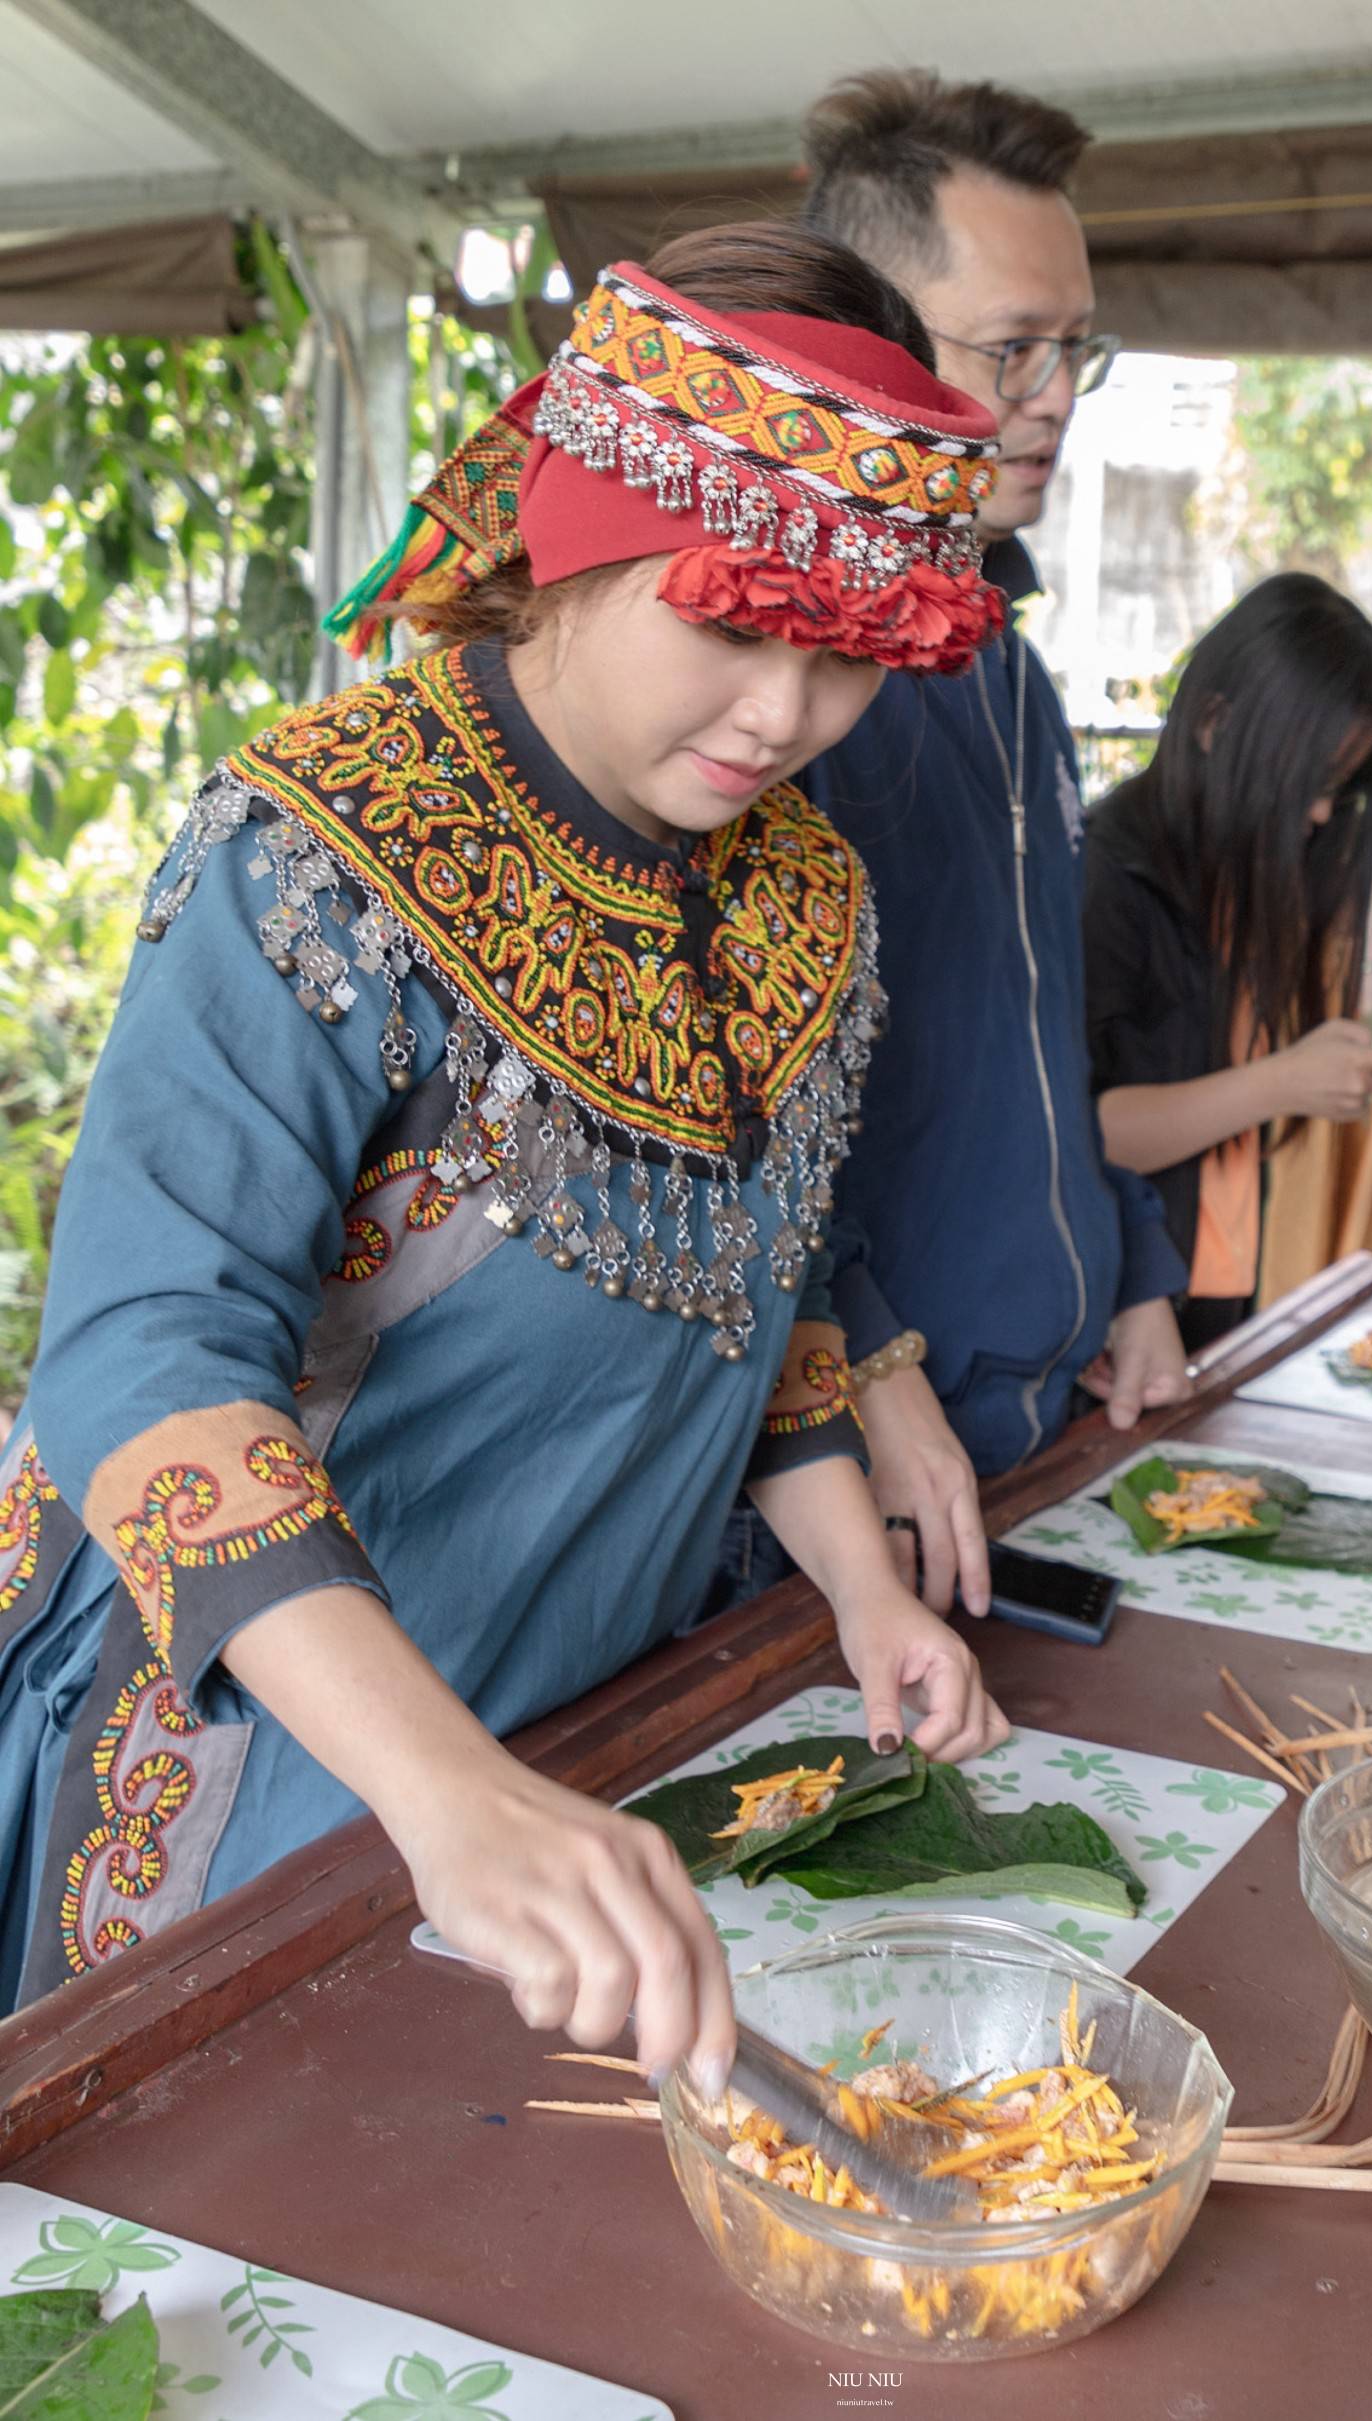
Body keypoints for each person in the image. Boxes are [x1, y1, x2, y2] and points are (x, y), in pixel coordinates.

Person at [0, 223, 1012, 2087]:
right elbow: (141, 1363)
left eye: (846, 657)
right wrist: (450, 1789)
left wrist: (860, 1588)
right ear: (579, 536)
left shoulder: (809, 897)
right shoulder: (317, 849)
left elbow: (753, 1280)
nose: (782, 717)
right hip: (289, 1756)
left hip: (579, 1733)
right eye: (725, 622)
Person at [790, 71, 1192, 1622]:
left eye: (1071, 345)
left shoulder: (1011, 674)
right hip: (858, 1491)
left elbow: (1038, 1036)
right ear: (868, 342)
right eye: (1007, 346)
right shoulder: (781, 699)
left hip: (1044, 1433)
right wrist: (866, 1373)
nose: (1051, 394)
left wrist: (1137, 1262)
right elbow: (743, 1104)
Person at [1083, 572, 1372, 1351]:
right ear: (1213, 722)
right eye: (1308, 782)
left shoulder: (1247, 881)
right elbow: (1082, 1130)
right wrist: (1283, 1081)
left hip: (1212, 1298)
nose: (1322, 812)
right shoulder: (1103, 871)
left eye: (1338, 786)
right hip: (1118, 1323)